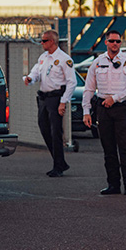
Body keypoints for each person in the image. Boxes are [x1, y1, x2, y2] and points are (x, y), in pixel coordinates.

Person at [82, 30, 126, 196]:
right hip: (102, 108)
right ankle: (113, 184)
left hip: (121, 108)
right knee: (108, 149)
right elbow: (89, 88)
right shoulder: (97, 62)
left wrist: (114, 98)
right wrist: (86, 111)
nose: (115, 44)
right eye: (112, 41)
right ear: (106, 42)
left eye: (118, 41)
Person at [23, 30, 77, 177]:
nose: (42, 43)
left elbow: (72, 82)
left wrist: (63, 102)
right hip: (44, 98)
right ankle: (60, 162)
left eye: (44, 40)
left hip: (56, 98)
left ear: (52, 41)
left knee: (55, 132)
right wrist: (29, 78)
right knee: (44, 128)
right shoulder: (43, 58)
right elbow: (36, 73)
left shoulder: (64, 59)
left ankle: (58, 166)